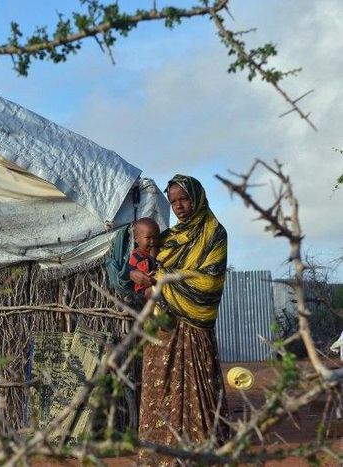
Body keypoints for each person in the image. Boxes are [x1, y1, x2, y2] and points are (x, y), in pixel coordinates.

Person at [130, 174, 229, 464]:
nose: (179, 206)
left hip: (195, 328)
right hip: (161, 327)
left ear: (197, 197)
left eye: (183, 199)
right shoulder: (169, 239)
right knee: (160, 388)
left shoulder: (214, 235)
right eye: (173, 201)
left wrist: (156, 280)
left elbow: (208, 283)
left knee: (199, 390)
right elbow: (139, 268)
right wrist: (138, 276)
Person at [128, 217, 160, 302]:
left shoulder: (157, 248)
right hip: (142, 291)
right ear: (137, 239)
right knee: (152, 293)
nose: (153, 241)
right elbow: (145, 270)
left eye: (156, 237)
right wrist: (152, 256)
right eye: (148, 238)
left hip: (154, 284)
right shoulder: (136, 255)